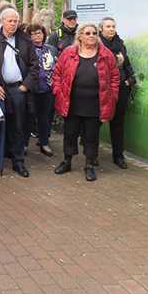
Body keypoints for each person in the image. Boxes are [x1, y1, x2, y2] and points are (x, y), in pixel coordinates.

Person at [52, 23, 120, 182]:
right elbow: (57, 74)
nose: (91, 36)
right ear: (80, 36)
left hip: (95, 104)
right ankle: (67, 161)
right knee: (70, 134)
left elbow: (115, 77)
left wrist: (113, 95)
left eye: (94, 33)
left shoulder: (106, 54)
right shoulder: (69, 53)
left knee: (91, 136)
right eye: (87, 33)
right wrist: (57, 91)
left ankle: (89, 165)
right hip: (72, 102)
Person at [0, 8, 38, 177]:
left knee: (18, 126)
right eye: (10, 21)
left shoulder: (25, 41)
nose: (13, 24)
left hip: (18, 90)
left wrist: (25, 86)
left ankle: (18, 161)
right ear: (2, 22)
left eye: (16, 21)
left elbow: (35, 66)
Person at [99, 17, 136, 169]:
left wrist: (130, 80)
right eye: (108, 26)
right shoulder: (96, 44)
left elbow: (126, 64)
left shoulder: (120, 44)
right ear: (101, 29)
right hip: (102, 89)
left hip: (120, 88)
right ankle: (92, 155)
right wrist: (116, 61)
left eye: (113, 26)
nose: (111, 29)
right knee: (96, 123)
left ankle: (118, 155)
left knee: (118, 123)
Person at [27, 23, 56, 157]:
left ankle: (44, 142)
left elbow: (57, 66)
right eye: (32, 34)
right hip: (31, 88)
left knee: (45, 117)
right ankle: (24, 144)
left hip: (48, 88)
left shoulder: (51, 49)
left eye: (38, 33)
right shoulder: (26, 49)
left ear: (43, 34)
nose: (36, 36)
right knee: (29, 116)